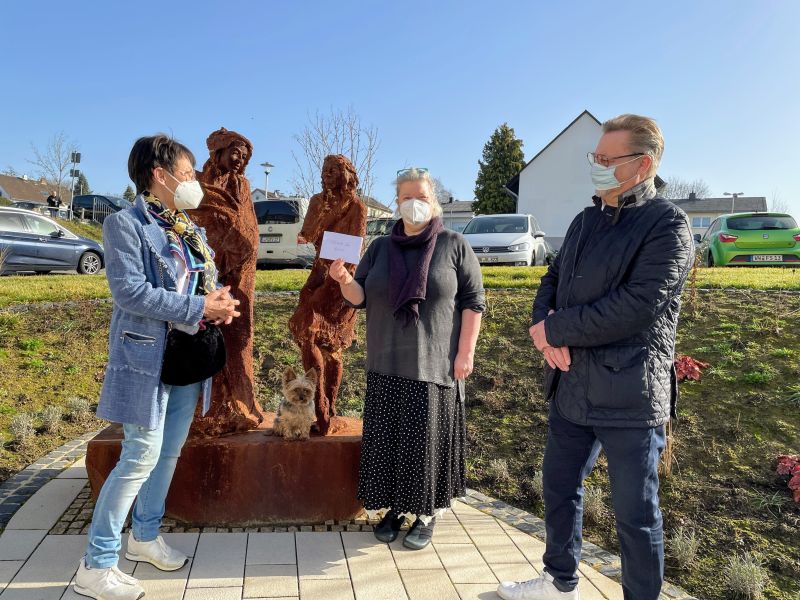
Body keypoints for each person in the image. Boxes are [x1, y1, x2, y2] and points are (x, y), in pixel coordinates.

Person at [497, 115, 693, 600]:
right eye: (595, 158)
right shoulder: (584, 222)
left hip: (629, 395)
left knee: (636, 516)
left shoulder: (668, 225)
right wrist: (545, 333)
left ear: (643, 164)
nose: (597, 167)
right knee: (559, 489)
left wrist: (556, 328)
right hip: (572, 388)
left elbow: (637, 306)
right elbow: (551, 280)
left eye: (607, 159)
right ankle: (559, 581)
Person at [75, 135, 240, 600]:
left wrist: (220, 302)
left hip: (187, 358)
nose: (194, 182)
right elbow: (130, 292)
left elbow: (203, 281)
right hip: (147, 358)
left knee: (167, 453)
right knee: (139, 458)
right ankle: (96, 564)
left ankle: (143, 537)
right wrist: (198, 306)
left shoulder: (187, 227)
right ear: (159, 175)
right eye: (187, 174)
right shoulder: (124, 225)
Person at [329, 167, 484, 550]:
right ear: (396, 203)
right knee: (390, 442)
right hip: (385, 363)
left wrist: (466, 353)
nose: (414, 204)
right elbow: (360, 297)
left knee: (424, 444)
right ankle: (397, 508)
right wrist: (344, 280)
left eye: (421, 196)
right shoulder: (380, 248)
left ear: (434, 200)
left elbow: (473, 303)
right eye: (406, 198)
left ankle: (427, 514)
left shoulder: (454, 245)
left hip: (434, 365)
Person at [188, 127, 264, 436]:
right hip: (202, 273)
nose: (239, 160)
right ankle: (206, 409)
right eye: (235, 153)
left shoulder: (241, 185)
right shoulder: (195, 183)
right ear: (217, 152)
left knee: (238, 337)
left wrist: (237, 242)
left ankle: (240, 405)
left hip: (239, 272)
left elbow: (247, 228)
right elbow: (194, 219)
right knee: (204, 339)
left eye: (244, 157)